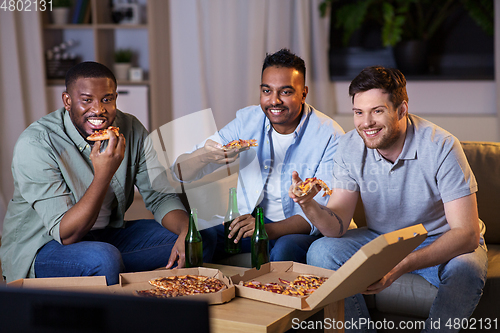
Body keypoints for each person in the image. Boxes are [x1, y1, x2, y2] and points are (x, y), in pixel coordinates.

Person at [290, 66, 488, 332]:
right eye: (358, 112)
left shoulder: (441, 145)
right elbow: (336, 226)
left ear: (402, 110)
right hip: (382, 238)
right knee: (321, 252)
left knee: (467, 269)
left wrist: (400, 265)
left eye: (377, 111)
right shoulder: (349, 146)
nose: (366, 123)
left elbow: (466, 234)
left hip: (440, 237)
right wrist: (308, 204)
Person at [0, 61, 213, 285]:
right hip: (45, 246)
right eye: (87, 100)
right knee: (103, 259)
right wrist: (104, 173)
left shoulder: (131, 128)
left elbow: (160, 196)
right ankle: (114, 288)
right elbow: (66, 234)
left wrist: (186, 231)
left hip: (106, 236)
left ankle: (149, 289)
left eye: (107, 99)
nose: (98, 110)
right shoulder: (36, 144)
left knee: (199, 237)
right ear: (67, 101)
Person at [172, 48, 344, 264]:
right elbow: (180, 172)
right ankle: (195, 294)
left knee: (284, 252)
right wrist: (206, 157)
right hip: (250, 222)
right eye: (266, 91)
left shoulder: (330, 135)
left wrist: (263, 228)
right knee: (198, 236)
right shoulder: (247, 121)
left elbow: (321, 211)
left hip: (296, 230)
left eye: (286, 92)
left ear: (304, 93)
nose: (274, 101)